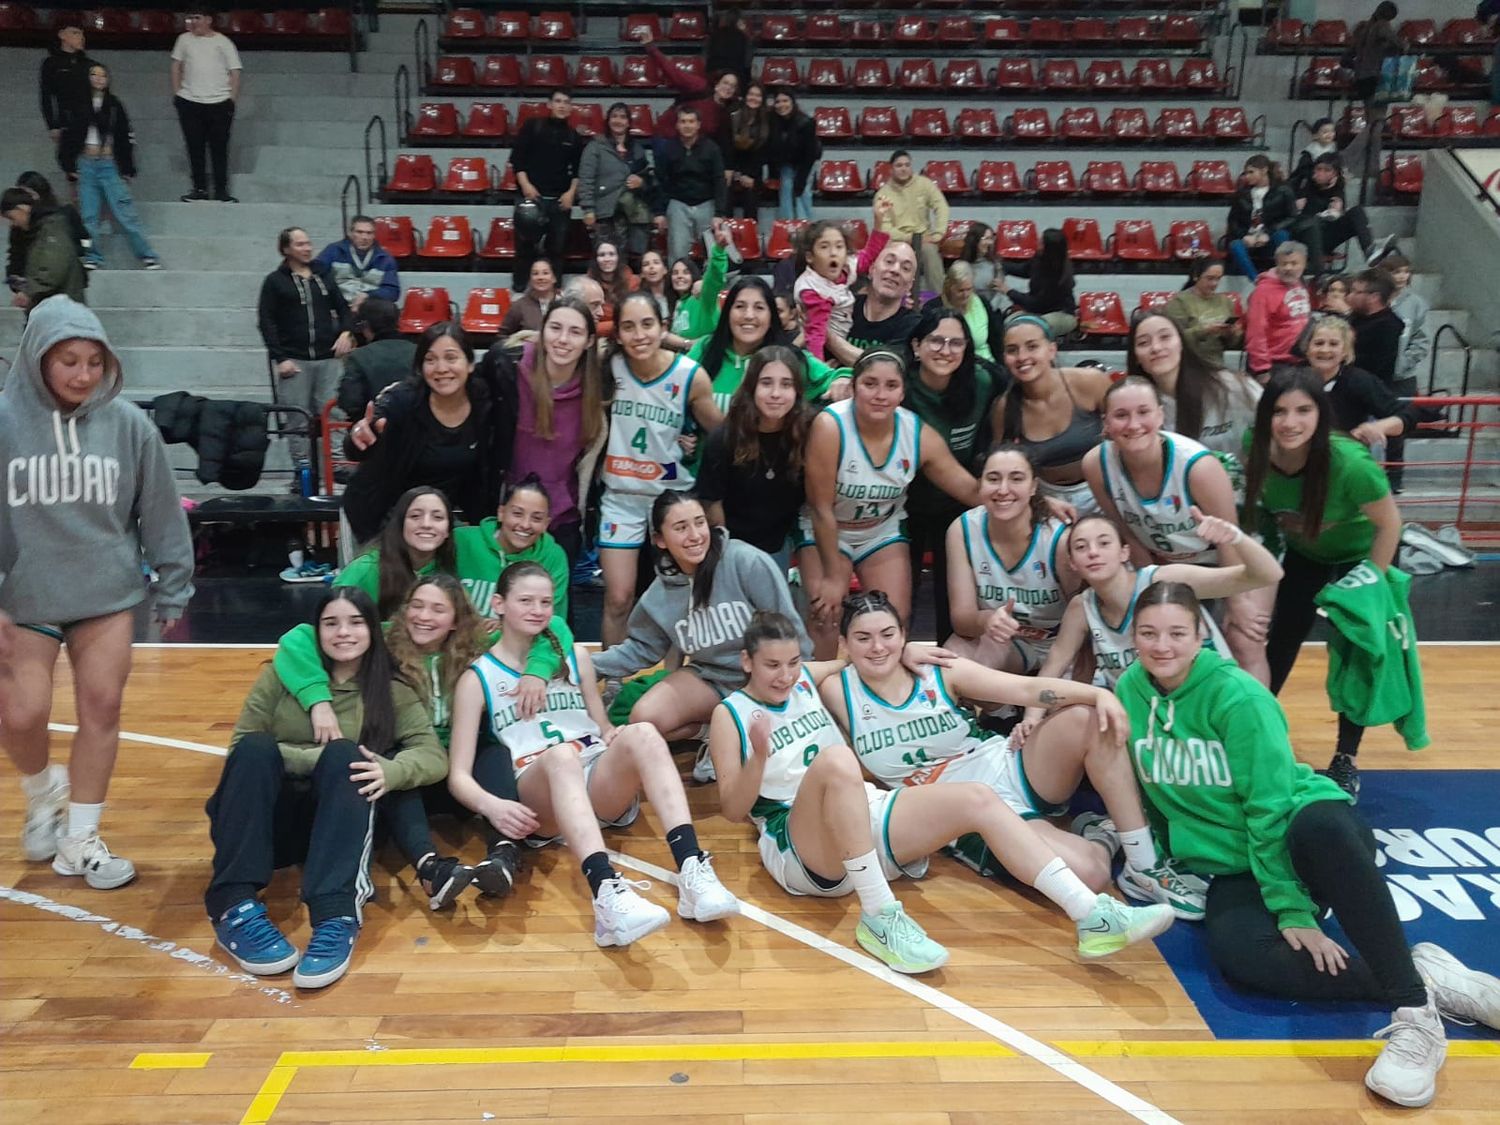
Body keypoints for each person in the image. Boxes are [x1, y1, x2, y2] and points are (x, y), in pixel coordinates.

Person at [1117, 580, 1500, 1108]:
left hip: (1303, 835)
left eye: (1177, 632)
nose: (1163, 645)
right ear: (1132, 636)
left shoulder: (1238, 697)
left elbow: (1270, 807)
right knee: (1244, 959)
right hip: (1235, 862)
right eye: (1149, 633)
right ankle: (1428, 974)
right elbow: (1147, 788)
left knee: (1323, 827)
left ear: (1201, 634)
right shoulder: (1127, 691)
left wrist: (1291, 908)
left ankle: (1415, 1016)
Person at [828, 591, 1200, 924]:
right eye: (863, 638)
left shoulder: (937, 670)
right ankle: (1103, 836)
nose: (878, 647)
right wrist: (848, 662)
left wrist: (1098, 695)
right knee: (1090, 873)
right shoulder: (836, 688)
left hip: (1007, 763)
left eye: (888, 635)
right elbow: (785, 671)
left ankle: (1143, 863)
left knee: (1088, 719)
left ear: (903, 633)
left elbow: (1026, 688)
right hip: (966, 810)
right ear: (844, 642)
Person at [0, 297, 194, 890]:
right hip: (24, 596)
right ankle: (43, 792)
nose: (83, 375)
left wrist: (173, 585)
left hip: (106, 593)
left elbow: (160, 508)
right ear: (38, 359)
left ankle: (79, 840)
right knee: (20, 711)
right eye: (68, 361)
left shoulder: (130, 424)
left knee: (102, 705)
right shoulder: (4, 420)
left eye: (92, 361)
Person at [448, 561, 739, 947]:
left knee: (645, 733)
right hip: (540, 791)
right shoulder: (477, 677)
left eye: (546, 601)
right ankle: (606, 896)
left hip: (595, 778)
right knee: (561, 756)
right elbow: (458, 776)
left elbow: (600, 724)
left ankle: (692, 870)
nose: (537, 609)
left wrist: (614, 734)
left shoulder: (576, 658)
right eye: (525, 600)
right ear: (499, 604)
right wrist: (491, 805)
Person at [204, 588, 445, 987]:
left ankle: (336, 915)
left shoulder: (392, 690)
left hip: (336, 830)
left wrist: (391, 770)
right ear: (316, 632)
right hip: (268, 827)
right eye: (330, 623)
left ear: (372, 630)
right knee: (257, 748)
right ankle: (234, 905)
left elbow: (432, 756)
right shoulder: (278, 677)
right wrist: (318, 758)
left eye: (355, 622)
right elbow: (238, 750)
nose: (343, 633)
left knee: (345, 757)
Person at [705, 611, 948, 973]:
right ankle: (879, 914)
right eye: (772, 665)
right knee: (836, 759)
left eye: (793, 662)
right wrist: (758, 756)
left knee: (977, 799)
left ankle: (1069, 905)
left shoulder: (802, 679)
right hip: (794, 839)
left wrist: (904, 651)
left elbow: (847, 659)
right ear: (746, 661)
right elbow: (732, 811)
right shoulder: (730, 714)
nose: (785, 675)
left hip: (854, 811)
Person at [270, 575, 498, 911]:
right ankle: (430, 866)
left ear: (456, 620)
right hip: (413, 770)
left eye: (438, 609)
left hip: (458, 767)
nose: (424, 616)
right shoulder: (383, 639)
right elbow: (298, 637)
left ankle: (502, 855)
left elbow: (548, 627)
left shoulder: (477, 646)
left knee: (494, 749)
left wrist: (537, 671)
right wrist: (318, 700)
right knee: (387, 760)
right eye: (416, 606)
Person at [1243, 369, 1403, 796]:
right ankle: (1254, 734)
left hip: (1361, 556)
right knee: (1278, 642)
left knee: (1356, 655)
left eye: (1303, 410)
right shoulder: (1253, 448)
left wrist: (1370, 584)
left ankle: (1346, 758)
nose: (1290, 422)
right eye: (1278, 411)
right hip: (1306, 554)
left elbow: (1390, 525)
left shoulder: (1350, 463)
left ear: (1321, 414)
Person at [1083, 375, 1268, 680]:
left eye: (1143, 412)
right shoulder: (1095, 464)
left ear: (1160, 415)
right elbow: (1125, 532)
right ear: (1106, 423)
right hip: (1168, 563)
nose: (1133, 424)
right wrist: (1152, 585)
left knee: (1244, 640)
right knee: (1164, 641)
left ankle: (1260, 724)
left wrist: (1237, 600)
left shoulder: (1198, 467)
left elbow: (1230, 538)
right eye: (1121, 415)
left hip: (1233, 555)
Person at [800, 350, 981, 657]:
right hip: (829, 528)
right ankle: (823, 696)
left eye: (890, 386)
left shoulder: (916, 432)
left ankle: (887, 696)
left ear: (902, 392)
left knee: (893, 620)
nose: (880, 395)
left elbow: (968, 488)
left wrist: (1034, 502)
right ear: (854, 386)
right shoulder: (830, 426)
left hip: (880, 531)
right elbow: (821, 508)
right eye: (870, 384)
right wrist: (832, 576)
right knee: (826, 617)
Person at [596, 491, 807, 745]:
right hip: (712, 679)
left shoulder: (745, 561)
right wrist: (584, 666)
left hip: (763, 678)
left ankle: (734, 733)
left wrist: (801, 686)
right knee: (644, 718)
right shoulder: (659, 595)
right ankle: (711, 734)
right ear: (660, 539)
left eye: (699, 522)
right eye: (681, 527)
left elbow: (790, 628)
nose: (695, 536)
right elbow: (641, 648)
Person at [1031, 511, 1277, 691]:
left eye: (1104, 543)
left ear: (1124, 552)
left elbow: (1268, 574)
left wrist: (1235, 538)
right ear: (1073, 563)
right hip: (1142, 713)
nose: (1093, 552)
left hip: (1204, 697)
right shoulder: (1081, 607)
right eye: (1082, 547)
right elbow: (1054, 665)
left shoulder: (1164, 580)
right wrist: (1031, 718)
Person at [597, 293, 722, 645]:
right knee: (618, 598)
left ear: (663, 328)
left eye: (647, 324)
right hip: (621, 496)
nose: (639, 335)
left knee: (681, 600)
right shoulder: (609, 368)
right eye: (629, 327)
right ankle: (614, 682)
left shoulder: (690, 377)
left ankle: (676, 679)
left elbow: (722, 433)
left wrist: (694, 444)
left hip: (672, 499)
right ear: (618, 334)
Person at [478, 299, 608, 570]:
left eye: (575, 332)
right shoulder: (506, 366)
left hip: (562, 519)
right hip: (507, 512)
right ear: (542, 330)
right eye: (555, 328)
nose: (563, 339)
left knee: (553, 608)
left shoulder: (599, 389)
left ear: (588, 341)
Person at [341, 323, 498, 544]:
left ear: (470, 364)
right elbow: (359, 442)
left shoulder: (483, 401)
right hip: (379, 516)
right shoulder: (402, 400)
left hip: (436, 521)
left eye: (451, 358)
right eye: (430, 359)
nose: (441, 368)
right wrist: (358, 436)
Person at [903, 308, 1001, 641]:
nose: (945, 350)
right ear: (917, 346)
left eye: (956, 343)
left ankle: (952, 674)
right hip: (905, 505)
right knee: (902, 594)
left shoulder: (983, 382)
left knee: (954, 596)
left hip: (959, 504)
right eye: (936, 341)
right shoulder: (899, 383)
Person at [946, 444, 1076, 674]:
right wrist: (986, 620)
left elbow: (1084, 617)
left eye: (1016, 479)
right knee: (952, 660)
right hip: (1004, 643)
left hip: (1060, 646)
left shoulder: (1059, 540)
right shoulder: (962, 530)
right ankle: (999, 709)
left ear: (1034, 486)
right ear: (980, 484)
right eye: (993, 479)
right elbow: (961, 620)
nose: (1003, 490)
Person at [688, 233, 845, 406]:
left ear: (771, 317)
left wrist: (842, 379)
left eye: (759, 308)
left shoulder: (787, 356)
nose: (749, 315)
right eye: (740, 306)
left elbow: (838, 376)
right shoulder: (706, 348)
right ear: (728, 313)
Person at [698, 345, 812, 562]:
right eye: (766, 383)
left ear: (797, 391)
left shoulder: (808, 432)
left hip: (780, 543)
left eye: (786, 384)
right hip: (732, 547)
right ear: (751, 388)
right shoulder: (724, 438)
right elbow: (712, 503)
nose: (776, 394)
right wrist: (725, 555)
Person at [991, 316, 1111, 516]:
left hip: (1104, 490)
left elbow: (1125, 431)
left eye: (1032, 346)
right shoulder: (1003, 408)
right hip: (1047, 502)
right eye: (1012, 350)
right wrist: (1039, 500)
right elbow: (1001, 466)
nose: (1022, 357)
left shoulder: (1090, 382)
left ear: (1051, 349)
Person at [257, 226, 355, 468]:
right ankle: (302, 472)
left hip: (328, 359)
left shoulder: (324, 275)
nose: (307, 248)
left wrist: (346, 332)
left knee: (334, 414)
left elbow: (344, 308)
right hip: (294, 360)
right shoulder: (274, 282)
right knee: (297, 419)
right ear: (286, 249)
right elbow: (266, 322)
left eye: (308, 243)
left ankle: (338, 468)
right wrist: (280, 358)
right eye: (300, 244)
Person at [59, 63, 162, 272]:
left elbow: (124, 138)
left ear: (108, 80)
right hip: (86, 164)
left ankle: (147, 255)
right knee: (89, 216)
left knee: (126, 213)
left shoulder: (114, 105)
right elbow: (68, 137)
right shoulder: (78, 104)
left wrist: (127, 168)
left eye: (102, 75)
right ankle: (92, 256)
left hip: (108, 164)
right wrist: (68, 165)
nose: (98, 79)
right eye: (94, 75)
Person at [1127, 313, 1261, 461]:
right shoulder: (1136, 406)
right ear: (1136, 357)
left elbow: (1275, 424)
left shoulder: (1230, 385)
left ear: (1181, 343)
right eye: (1143, 343)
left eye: (1165, 337)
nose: (1156, 348)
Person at [795, 200, 893, 361]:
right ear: (810, 257)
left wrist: (878, 221)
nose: (833, 253)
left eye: (839, 246)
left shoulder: (846, 267)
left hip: (843, 340)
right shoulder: (812, 289)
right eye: (824, 247)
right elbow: (815, 334)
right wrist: (819, 371)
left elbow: (868, 256)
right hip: (821, 351)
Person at [1300, 314, 1412, 445]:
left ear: (1345, 352)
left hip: (1347, 457)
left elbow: (1407, 414)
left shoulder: (1359, 380)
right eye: (1318, 343)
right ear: (1307, 349)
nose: (1325, 350)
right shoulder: (1292, 380)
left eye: (1333, 344)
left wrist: (1379, 427)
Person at [511, 87, 583, 290]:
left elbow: (578, 171)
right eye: (558, 101)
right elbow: (518, 161)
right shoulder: (533, 127)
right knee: (525, 248)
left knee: (557, 250)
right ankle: (518, 292)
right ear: (549, 105)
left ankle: (555, 294)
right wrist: (526, 186)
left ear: (571, 108)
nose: (562, 105)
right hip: (530, 198)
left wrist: (571, 194)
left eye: (566, 102)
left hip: (560, 201)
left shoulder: (574, 136)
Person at [171, 9, 242, 202]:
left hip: (218, 103)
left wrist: (231, 99)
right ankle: (199, 189)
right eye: (191, 18)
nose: (193, 22)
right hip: (190, 102)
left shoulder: (223, 42)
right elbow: (176, 65)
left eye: (197, 18)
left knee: (219, 149)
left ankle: (221, 190)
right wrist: (178, 93)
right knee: (195, 147)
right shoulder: (184, 40)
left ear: (209, 20)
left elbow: (235, 71)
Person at [1349, 268, 1409, 487]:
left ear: (1373, 297)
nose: (1350, 296)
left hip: (1370, 400)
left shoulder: (1388, 326)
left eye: (1356, 291)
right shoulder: (1356, 318)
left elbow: (1370, 365)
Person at [578, 102, 659, 263]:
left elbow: (650, 181)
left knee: (633, 261)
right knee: (606, 260)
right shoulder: (595, 147)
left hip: (633, 215)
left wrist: (641, 182)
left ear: (628, 122)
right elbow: (586, 179)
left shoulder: (637, 149)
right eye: (614, 116)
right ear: (608, 121)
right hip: (604, 213)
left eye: (623, 117)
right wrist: (588, 210)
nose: (618, 121)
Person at [823, 239, 923, 365]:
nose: (895, 270)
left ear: (910, 285)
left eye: (906, 268)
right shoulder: (844, 305)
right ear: (872, 269)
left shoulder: (913, 324)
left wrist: (828, 335)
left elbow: (884, 366)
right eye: (889, 261)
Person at [636, 27, 739, 149]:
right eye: (725, 83)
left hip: (692, 146)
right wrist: (651, 47)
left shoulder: (726, 112)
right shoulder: (699, 86)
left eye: (732, 86)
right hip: (668, 138)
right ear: (716, 84)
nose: (728, 88)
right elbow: (673, 72)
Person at [1296, 155, 1391, 275]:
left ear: (1335, 174)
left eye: (1327, 170)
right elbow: (1299, 213)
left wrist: (1334, 206)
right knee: (1313, 223)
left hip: (1326, 236)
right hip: (1307, 237)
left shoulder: (1338, 189)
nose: (1321, 173)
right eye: (1318, 169)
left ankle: (1370, 251)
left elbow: (1336, 211)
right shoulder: (1306, 186)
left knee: (1356, 211)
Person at [657, 107, 727, 266]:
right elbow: (661, 181)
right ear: (677, 125)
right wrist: (660, 212)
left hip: (706, 204)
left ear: (698, 125)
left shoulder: (711, 148)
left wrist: (719, 213)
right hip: (678, 204)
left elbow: (719, 181)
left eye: (691, 121)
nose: (687, 125)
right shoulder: (668, 149)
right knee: (677, 254)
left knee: (712, 253)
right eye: (683, 121)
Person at [873, 150, 949, 295]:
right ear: (891, 169)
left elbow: (942, 206)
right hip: (897, 240)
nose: (903, 168)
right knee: (891, 255)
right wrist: (908, 238)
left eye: (907, 165)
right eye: (899, 165)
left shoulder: (924, 184)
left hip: (923, 237)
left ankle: (939, 301)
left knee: (930, 252)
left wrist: (938, 234)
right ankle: (891, 298)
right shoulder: (883, 194)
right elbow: (884, 228)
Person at [1, 187, 88, 310]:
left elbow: (53, 269)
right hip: (47, 308)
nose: (13, 224)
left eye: (11, 218)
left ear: (22, 209)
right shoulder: (33, 232)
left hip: (63, 310)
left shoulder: (52, 228)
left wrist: (27, 291)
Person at [1345, 2, 1403, 179]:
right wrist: (1401, 47)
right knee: (1376, 124)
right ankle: (1351, 158)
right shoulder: (1382, 27)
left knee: (1373, 121)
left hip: (1362, 79)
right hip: (1378, 79)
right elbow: (1399, 45)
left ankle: (1369, 164)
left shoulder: (1364, 29)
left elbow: (1347, 56)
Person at [1244, 241, 1312, 379]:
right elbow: (1256, 332)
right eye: (1283, 263)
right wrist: (1261, 369)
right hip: (1274, 365)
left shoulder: (1300, 284)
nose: (1288, 268)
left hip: (1300, 362)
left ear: (1304, 264)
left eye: (1294, 263)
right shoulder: (1263, 291)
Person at [338, 297, 413, 420]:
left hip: (370, 431)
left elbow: (349, 402)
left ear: (365, 326)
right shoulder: (419, 352)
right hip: (417, 430)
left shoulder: (358, 357)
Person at [1226, 155, 1299, 280]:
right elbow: (1232, 221)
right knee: (1235, 245)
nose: (1247, 176)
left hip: (1269, 238)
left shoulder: (1283, 190)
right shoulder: (1241, 194)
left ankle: (1286, 275)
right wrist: (1244, 236)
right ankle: (1257, 280)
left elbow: (1292, 217)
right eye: (1245, 173)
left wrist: (1268, 234)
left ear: (1264, 170)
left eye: (1251, 172)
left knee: (1282, 235)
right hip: (1248, 239)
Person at [1163, 260, 1243, 371]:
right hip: (1188, 366)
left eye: (1218, 278)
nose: (1214, 283)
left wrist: (1233, 334)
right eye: (1210, 278)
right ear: (1196, 276)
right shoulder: (1179, 302)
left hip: (1216, 363)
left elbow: (1231, 344)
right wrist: (1205, 330)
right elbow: (1175, 339)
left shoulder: (1225, 302)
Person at [1000, 228, 1078, 338]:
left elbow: (1036, 303)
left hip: (1062, 313)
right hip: (1038, 312)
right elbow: (1024, 270)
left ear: (1049, 248)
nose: (1037, 242)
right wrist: (1000, 264)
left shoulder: (1059, 274)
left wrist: (1008, 291)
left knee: (1038, 326)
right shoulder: (1039, 258)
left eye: (1041, 242)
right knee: (1009, 323)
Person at [316, 215, 399, 311]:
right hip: (339, 305)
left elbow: (393, 292)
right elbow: (316, 273)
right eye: (359, 232)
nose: (364, 237)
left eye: (369, 233)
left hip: (370, 306)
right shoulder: (333, 250)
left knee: (390, 309)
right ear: (350, 233)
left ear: (374, 235)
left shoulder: (385, 258)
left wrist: (367, 296)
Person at [39, 22, 94, 160]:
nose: (81, 37)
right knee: (71, 163)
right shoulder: (51, 63)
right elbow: (46, 95)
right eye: (75, 33)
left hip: (91, 122)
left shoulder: (90, 65)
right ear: (62, 35)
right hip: (67, 121)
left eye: (82, 34)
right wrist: (53, 125)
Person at [765, 88, 820, 222]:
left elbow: (810, 154)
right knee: (786, 187)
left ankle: (805, 225)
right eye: (778, 101)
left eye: (785, 101)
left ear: (792, 102)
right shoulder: (772, 120)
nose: (781, 105)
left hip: (806, 160)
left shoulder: (806, 122)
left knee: (803, 191)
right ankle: (786, 225)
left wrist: (801, 180)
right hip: (786, 162)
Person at [928, 261, 997, 362]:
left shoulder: (982, 302)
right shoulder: (932, 308)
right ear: (949, 287)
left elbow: (996, 339)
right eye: (960, 290)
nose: (965, 295)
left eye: (969, 289)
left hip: (984, 362)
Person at [1380, 254, 1430, 388]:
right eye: (1396, 272)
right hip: (1374, 375)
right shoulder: (1374, 299)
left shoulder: (1416, 303)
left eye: (1406, 272)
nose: (1402, 276)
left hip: (1403, 378)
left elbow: (1421, 340)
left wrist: (1403, 363)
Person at [727, 83, 770, 219]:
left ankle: (750, 233)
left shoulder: (767, 120)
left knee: (752, 193)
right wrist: (738, 175)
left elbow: (764, 153)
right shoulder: (734, 116)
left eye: (758, 95)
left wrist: (749, 175)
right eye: (751, 94)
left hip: (754, 170)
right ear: (745, 97)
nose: (754, 98)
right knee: (725, 190)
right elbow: (728, 148)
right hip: (733, 168)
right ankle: (724, 233)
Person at [498, 257, 557, 341]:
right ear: (530, 279)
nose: (540, 277)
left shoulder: (564, 304)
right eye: (535, 273)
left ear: (554, 278)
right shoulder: (519, 306)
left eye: (545, 273)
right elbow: (502, 337)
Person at [957, 223, 1004, 309]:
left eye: (991, 238)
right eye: (986, 239)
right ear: (975, 241)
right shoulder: (960, 266)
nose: (990, 242)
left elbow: (999, 294)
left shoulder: (995, 264)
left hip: (990, 308)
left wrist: (989, 310)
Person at [1289, 117, 1339, 193]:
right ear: (1315, 135)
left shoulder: (1335, 150)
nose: (1329, 134)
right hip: (1312, 186)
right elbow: (1302, 172)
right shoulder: (1309, 153)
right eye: (1325, 132)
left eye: (1332, 131)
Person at [587, 238, 635, 308]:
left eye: (612, 254)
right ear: (595, 259)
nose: (607, 259)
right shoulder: (588, 284)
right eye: (602, 255)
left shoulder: (632, 282)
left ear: (618, 257)